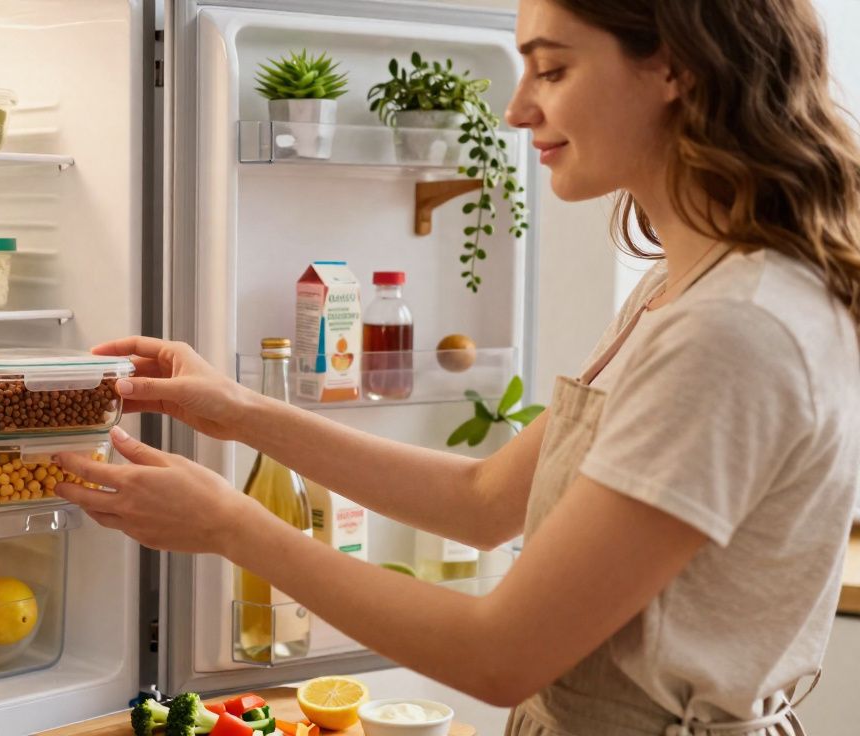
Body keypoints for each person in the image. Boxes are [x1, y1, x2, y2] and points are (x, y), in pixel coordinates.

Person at [54, 0, 860, 733]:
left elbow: (500, 656)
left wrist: (227, 526)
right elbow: (483, 503)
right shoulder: (681, 286)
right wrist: (238, 411)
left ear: (676, 67)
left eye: (552, 68)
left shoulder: (733, 329)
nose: (517, 109)